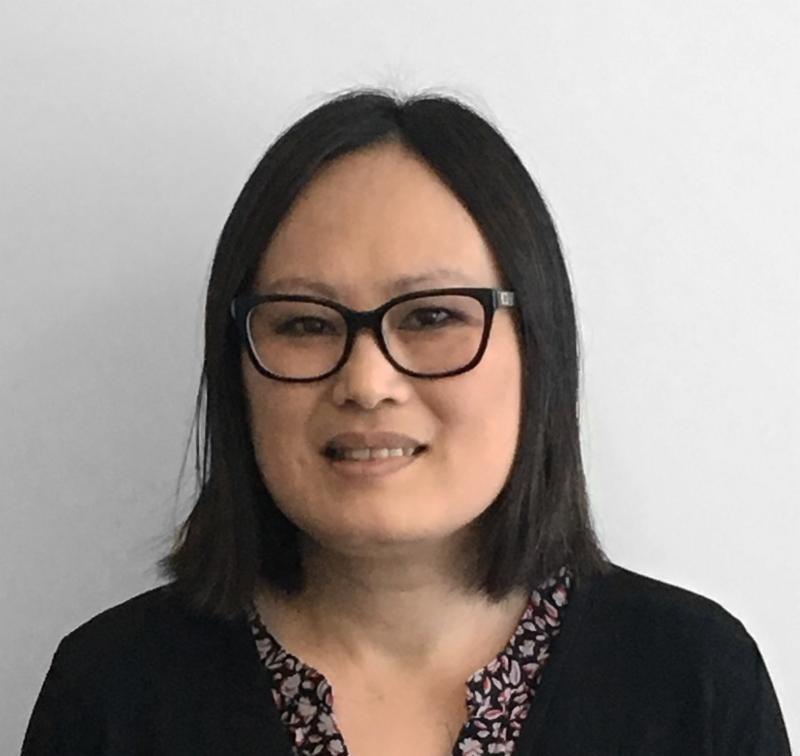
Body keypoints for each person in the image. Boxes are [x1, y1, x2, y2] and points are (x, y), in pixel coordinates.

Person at [22, 87, 791, 756]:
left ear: (539, 350)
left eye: (431, 317)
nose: (366, 382)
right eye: (304, 323)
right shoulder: (112, 692)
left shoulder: (693, 681)